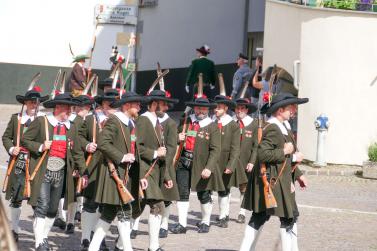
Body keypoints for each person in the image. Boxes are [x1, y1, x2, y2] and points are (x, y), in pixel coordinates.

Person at [239, 93, 308, 251]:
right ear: (280, 110)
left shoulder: (283, 127)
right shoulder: (273, 128)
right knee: (287, 217)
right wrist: (285, 151)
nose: (294, 110)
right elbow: (263, 154)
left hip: (278, 178)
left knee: (265, 216)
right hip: (272, 180)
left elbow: (287, 157)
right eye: (291, 107)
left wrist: (298, 174)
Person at [21, 93, 85, 251]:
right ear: (57, 108)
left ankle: (43, 237)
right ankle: (39, 243)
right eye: (67, 109)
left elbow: (77, 151)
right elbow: (25, 140)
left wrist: (84, 171)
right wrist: (41, 146)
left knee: (52, 209)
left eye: (71, 109)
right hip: (43, 171)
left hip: (62, 172)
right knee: (42, 206)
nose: (70, 112)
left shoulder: (72, 126)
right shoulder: (41, 121)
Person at [89, 92, 143, 251]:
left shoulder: (131, 123)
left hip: (126, 173)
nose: (139, 107)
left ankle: (92, 248)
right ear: (127, 106)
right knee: (125, 214)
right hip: (115, 173)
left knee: (108, 214)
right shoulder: (114, 120)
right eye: (136, 104)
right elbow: (102, 143)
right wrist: (122, 156)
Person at [170, 92, 222, 234]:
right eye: (198, 108)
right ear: (194, 108)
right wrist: (177, 137)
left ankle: (205, 221)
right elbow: (173, 137)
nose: (200, 111)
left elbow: (216, 150)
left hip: (202, 165)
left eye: (204, 109)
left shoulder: (212, 126)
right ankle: (182, 224)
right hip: (183, 161)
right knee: (182, 193)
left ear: (208, 110)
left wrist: (209, 168)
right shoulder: (186, 121)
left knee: (204, 194)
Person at [2, 85, 48, 242]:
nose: (33, 105)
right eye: (30, 102)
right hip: (18, 162)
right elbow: (6, 137)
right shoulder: (17, 118)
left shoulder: (44, 121)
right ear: (25, 103)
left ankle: (40, 238)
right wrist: (11, 148)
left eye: (36, 103)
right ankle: (14, 230)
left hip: (37, 163)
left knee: (38, 199)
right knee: (16, 197)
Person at [212, 94, 245, 228]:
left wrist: (231, 165)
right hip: (212, 161)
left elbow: (236, 148)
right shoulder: (212, 122)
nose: (216, 110)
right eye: (215, 108)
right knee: (214, 190)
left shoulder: (233, 126)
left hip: (226, 161)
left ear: (225, 108)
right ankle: (215, 215)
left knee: (224, 189)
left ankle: (223, 216)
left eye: (219, 108)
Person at [232, 97, 258, 224]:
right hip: (230, 161)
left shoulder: (253, 124)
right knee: (225, 187)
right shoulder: (231, 123)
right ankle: (224, 214)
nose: (239, 110)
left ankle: (241, 212)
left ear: (247, 110)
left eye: (242, 108)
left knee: (243, 187)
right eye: (237, 108)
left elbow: (256, 146)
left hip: (245, 161)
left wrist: (252, 161)